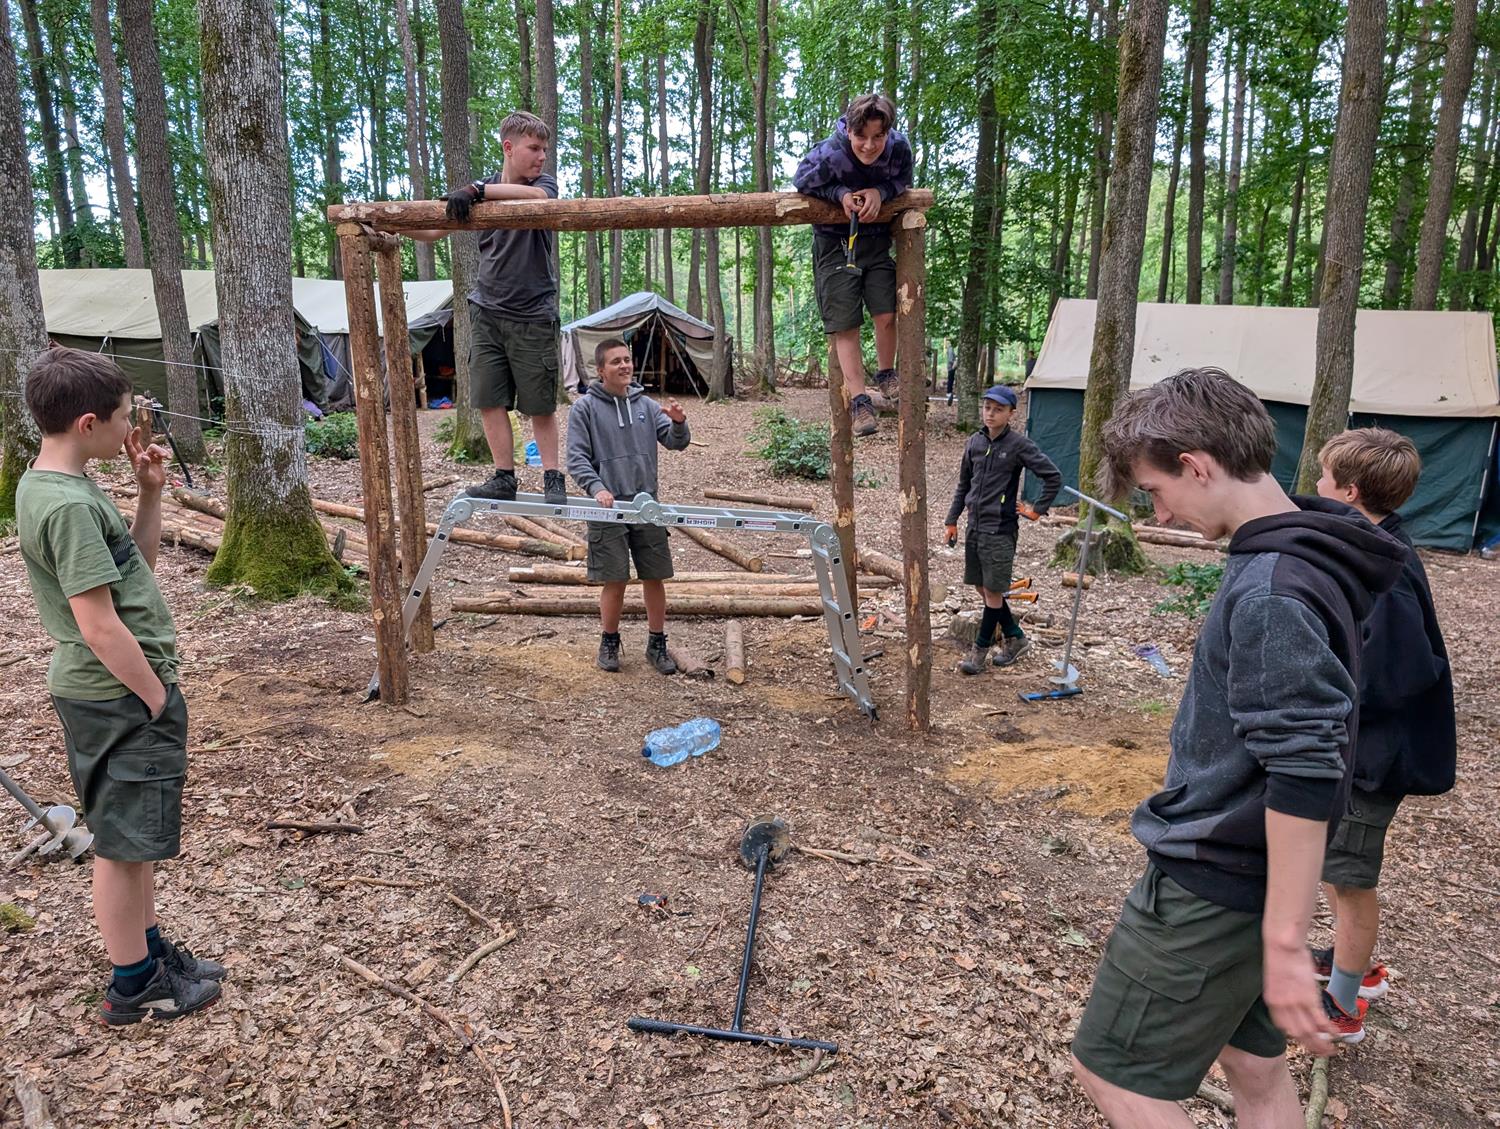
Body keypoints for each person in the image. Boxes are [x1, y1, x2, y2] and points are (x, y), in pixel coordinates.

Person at [1070, 368, 1406, 1127]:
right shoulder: (1312, 549)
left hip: (1214, 883)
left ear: (1196, 464)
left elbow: (1305, 767)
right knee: (1253, 1065)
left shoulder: (1271, 589)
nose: (1160, 513)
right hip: (1252, 877)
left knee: (1117, 1076)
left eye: (1155, 491)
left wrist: (1285, 942)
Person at [16, 347, 226, 1025]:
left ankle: (149, 951)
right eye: (122, 416)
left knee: (136, 837)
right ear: (87, 423)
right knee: (118, 843)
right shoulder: (67, 506)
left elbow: (134, 569)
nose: (131, 427)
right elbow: (99, 624)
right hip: (117, 695)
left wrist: (150, 492)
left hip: (116, 693)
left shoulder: (59, 486)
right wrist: (155, 696)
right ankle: (134, 983)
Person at [1311, 428, 1456, 1038]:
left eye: (1324, 476)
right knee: (1336, 867)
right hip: (1364, 750)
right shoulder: (1374, 545)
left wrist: (1333, 694)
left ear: (1349, 491)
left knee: (1349, 878)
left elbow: (1398, 673)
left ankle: (1345, 1002)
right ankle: (1353, 963)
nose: (1316, 484)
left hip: (1375, 758)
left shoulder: (1388, 574)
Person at [411, 110, 566, 504]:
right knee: (488, 397)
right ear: (509, 147)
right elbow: (433, 229)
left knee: (539, 403)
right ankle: (503, 477)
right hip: (488, 312)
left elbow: (540, 199)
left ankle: (552, 477)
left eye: (544, 150)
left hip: (533, 312)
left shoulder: (541, 184)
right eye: (534, 148)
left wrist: (477, 190)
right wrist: (387, 223)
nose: (542, 156)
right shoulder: (477, 195)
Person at [566, 338, 691, 675]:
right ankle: (609, 641)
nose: (624, 365)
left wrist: (679, 423)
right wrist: (597, 488)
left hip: (646, 504)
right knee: (615, 577)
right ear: (601, 370)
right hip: (607, 508)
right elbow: (576, 458)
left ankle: (656, 643)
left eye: (627, 359)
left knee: (655, 575)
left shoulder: (646, 405)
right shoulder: (584, 409)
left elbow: (675, 442)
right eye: (616, 361)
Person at [793, 92, 914, 438]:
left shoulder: (899, 149)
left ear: (888, 132)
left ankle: (886, 372)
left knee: (886, 311)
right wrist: (840, 195)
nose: (869, 145)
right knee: (845, 324)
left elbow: (902, 181)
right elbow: (801, 181)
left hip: (876, 241)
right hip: (834, 244)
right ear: (848, 130)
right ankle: (860, 400)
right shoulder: (829, 153)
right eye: (861, 136)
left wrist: (880, 192)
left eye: (878, 136)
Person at [943, 385, 1060, 674]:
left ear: (1011, 413)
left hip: (1000, 529)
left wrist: (1036, 510)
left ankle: (978, 654)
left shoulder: (1019, 445)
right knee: (982, 588)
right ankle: (1017, 638)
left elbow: (1052, 476)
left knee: (993, 592)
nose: (991, 414)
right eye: (987, 408)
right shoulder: (975, 442)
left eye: (998, 409)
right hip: (974, 526)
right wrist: (951, 520)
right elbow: (963, 484)